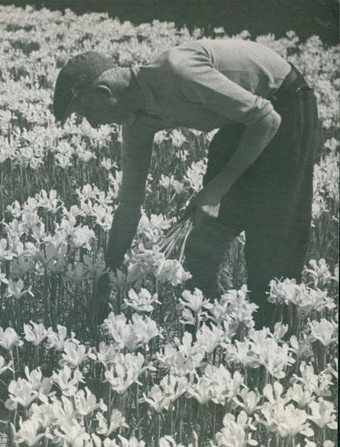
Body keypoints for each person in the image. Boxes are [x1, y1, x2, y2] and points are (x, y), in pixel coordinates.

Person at [52, 40, 319, 328]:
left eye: (86, 113)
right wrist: (109, 275)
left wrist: (216, 191)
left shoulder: (178, 72)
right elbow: (129, 204)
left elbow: (267, 119)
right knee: (201, 240)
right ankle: (218, 328)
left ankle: (276, 335)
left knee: (271, 248)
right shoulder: (137, 123)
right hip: (243, 119)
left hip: (286, 103)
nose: (92, 124)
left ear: (104, 92)